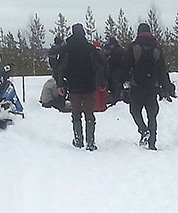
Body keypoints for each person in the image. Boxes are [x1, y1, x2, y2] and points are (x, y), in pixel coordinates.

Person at [54, 23, 107, 151]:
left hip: (73, 85)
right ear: (83, 32)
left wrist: (60, 84)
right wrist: (102, 82)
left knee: (76, 113)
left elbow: (60, 68)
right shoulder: (90, 49)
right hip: (89, 85)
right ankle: (90, 142)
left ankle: (78, 140)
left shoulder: (66, 50)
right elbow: (99, 66)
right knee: (90, 114)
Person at [126, 23, 172, 150]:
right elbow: (163, 69)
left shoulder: (133, 47)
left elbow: (126, 66)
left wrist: (121, 82)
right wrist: (166, 86)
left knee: (135, 111)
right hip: (152, 87)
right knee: (152, 115)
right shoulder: (157, 49)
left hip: (137, 86)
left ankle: (143, 129)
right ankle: (152, 143)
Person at [102, 38, 128, 106]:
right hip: (122, 71)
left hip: (116, 72)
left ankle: (116, 101)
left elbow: (112, 62)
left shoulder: (115, 52)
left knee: (115, 88)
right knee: (119, 87)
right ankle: (121, 100)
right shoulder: (121, 49)